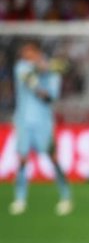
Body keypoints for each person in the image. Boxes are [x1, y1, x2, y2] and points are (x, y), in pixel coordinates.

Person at [9, 41, 72, 216]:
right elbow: (30, 79)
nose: (24, 54)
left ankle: (65, 196)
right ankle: (20, 198)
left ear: (36, 52)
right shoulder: (22, 67)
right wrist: (48, 68)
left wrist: (49, 70)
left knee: (53, 158)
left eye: (28, 51)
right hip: (23, 121)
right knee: (22, 159)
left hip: (44, 123)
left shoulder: (52, 74)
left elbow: (49, 97)